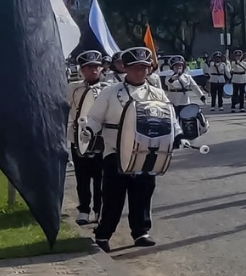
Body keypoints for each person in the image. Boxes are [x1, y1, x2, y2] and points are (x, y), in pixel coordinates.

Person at [85, 46, 180, 251]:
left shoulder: (157, 93)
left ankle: (141, 232)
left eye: (144, 68)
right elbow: (94, 117)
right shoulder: (110, 92)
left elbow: (170, 118)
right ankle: (103, 235)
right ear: (125, 68)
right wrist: (88, 132)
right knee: (112, 196)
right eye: (136, 67)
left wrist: (177, 135)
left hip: (148, 150)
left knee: (143, 192)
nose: (140, 72)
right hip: (115, 151)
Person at [68, 50, 110, 225]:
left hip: (102, 138)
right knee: (82, 176)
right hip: (79, 137)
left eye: (96, 67)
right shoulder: (73, 88)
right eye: (88, 67)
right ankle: (84, 209)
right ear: (82, 69)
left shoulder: (110, 89)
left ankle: (99, 210)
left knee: (101, 177)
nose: (93, 70)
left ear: (101, 68)